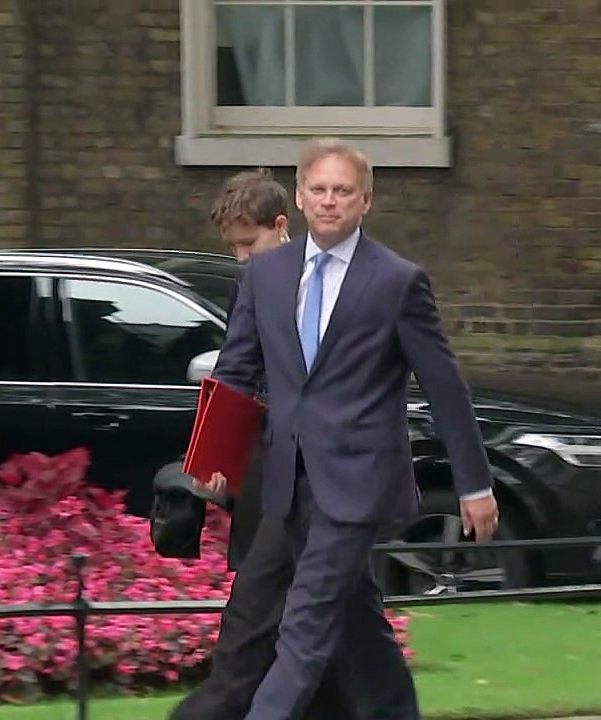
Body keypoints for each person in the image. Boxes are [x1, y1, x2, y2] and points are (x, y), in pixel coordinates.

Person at [210, 138, 501, 720]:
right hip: (290, 481)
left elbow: (444, 387)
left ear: (365, 201)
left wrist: (474, 484)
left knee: (305, 625)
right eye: (318, 189)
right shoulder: (266, 274)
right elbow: (236, 370)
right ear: (299, 196)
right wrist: (217, 456)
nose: (329, 201)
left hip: (360, 483)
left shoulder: (397, 281)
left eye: (343, 191)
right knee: (358, 621)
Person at [155, 168, 361, 720]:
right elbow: (235, 374)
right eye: (234, 247)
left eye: (249, 243)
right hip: (269, 480)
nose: (242, 257)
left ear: (281, 226)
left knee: (263, 630)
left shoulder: (336, 282)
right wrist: (215, 461)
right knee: (317, 633)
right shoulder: (249, 286)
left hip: (322, 484)